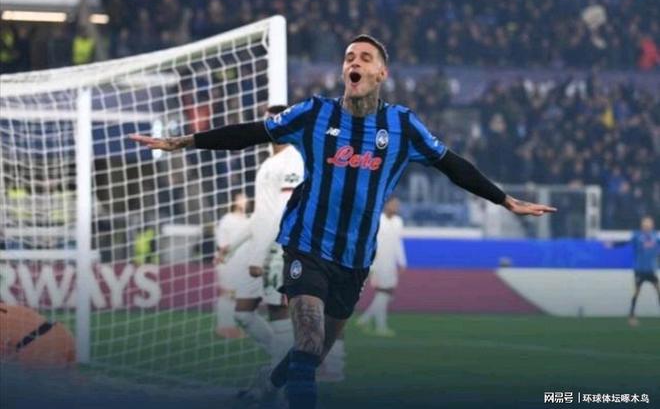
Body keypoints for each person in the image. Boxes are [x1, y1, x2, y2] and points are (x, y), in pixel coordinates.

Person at [130, 34, 556, 409]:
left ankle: (268, 384)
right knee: (309, 343)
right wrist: (182, 142)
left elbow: (452, 164)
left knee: (312, 353)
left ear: (382, 73)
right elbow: (251, 133)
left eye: (365, 58)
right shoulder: (314, 114)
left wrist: (504, 200)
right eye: (349, 57)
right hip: (306, 246)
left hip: (354, 260)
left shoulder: (402, 125)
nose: (355, 62)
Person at [216, 105, 303, 397]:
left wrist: (260, 254)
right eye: (267, 122)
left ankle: (276, 390)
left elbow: (282, 211)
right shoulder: (268, 162)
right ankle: (283, 363)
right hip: (259, 246)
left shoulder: (293, 159)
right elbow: (260, 215)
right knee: (243, 313)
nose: (269, 127)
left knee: (278, 312)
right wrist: (231, 246)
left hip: (277, 249)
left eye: (275, 122)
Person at [356, 196, 406, 337]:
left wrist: (402, 261)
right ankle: (380, 326)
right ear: (386, 204)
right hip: (378, 262)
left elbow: (398, 243)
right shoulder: (378, 220)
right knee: (384, 293)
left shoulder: (398, 222)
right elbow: (370, 243)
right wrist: (371, 266)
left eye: (397, 205)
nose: (395, 207)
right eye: (393, 204)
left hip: (391, 263)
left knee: (385, 294)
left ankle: (365, 319)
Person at [213, 192, 250, 339]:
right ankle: (223, 327)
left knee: (237, 295)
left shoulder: (247, 219)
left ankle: (230, 326)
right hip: (228, 261)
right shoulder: (227, 220)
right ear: (234, 201)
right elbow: (222, 244)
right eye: (241, 198)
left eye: (245, 198)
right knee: (228, 293)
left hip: (241, 262)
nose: (245, 201)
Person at [628, 216, 660, 327]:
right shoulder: (637, 236)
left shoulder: (655, 236)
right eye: (645, 223)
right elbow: (626, 243)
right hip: (640, 270)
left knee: (658, 290)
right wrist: (613, 245)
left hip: (651, 270)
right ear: (642, 225)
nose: (647, 225)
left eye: (649, 223)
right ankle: (631, 316)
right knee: (636, 292)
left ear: (652, 225)